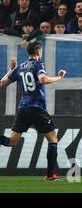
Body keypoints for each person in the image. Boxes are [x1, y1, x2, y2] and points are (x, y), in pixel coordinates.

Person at [0, 41, 66, 181]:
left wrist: (10, 70)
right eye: (40, 51)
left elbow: (2, 84)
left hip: (23, 108)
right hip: (37, 108)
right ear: (38, 52)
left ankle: (51, 174)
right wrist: (59, 77)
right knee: (53, 140)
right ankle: (50, 175)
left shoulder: (19, 67)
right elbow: (43, 79)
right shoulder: (38, 65)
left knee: (11, 142)